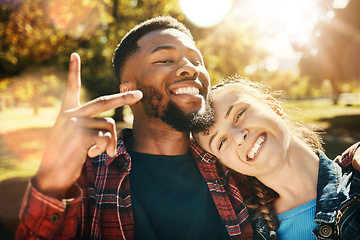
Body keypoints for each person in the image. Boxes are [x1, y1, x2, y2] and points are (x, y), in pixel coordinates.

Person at [15, 16, 357, 240]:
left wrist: (348, 165)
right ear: (127, 88)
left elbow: (305, 177)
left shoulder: (228, 167)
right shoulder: (90, 177)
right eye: (165, 59)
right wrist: (49, 182)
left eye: (196, 60)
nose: (189, 68)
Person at [194, 75, 360, 240]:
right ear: (225, 164)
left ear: (273, 106)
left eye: (239, 115)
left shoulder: (355, 186)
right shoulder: (249, 233)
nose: (238, 137)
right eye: (221, 141)